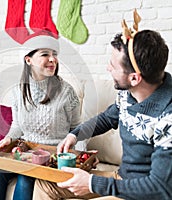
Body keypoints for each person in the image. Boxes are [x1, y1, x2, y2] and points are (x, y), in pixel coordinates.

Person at [33, 13, 172, 200]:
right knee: (46, 183)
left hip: (143, 194)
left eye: (113, 65)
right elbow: (108, 118)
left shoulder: (168, 116)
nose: (108, 68)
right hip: (121, 180)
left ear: (134, 78)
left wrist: (91, 183)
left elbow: (159, 188)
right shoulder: (128, 93)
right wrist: (75, 134)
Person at [0, 34, 82, 200]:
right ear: (28, 60)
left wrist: (78, 159)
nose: (53, 59)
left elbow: (78, 128)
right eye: (45, 54)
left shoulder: (66, 91)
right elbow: (17, 126)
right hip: (26, 151)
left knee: (24, 178)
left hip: (52, 157)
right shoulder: (18, 91)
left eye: (54, 54)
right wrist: (8, 139)